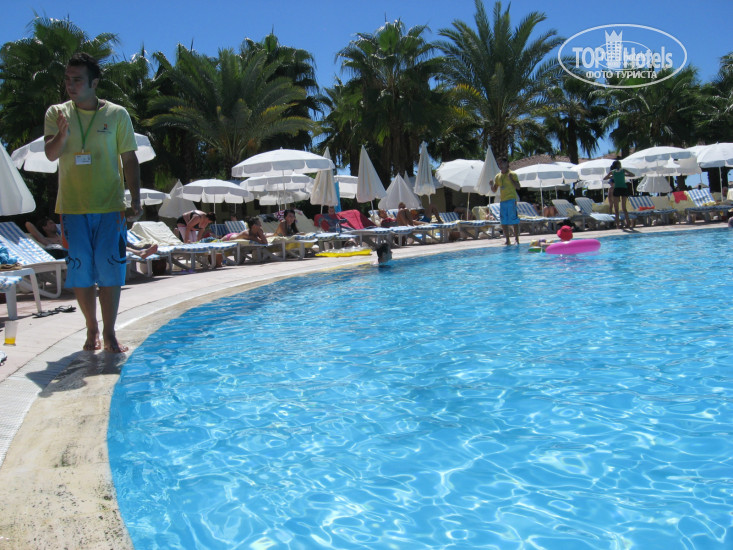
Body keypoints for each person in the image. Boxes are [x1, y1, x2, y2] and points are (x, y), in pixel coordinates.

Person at [43, 52, 140, 353]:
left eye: (77, 80)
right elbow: (50, 154)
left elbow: (129, 158)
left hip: (110, 206)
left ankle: (109, 332)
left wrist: (135, 198)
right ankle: (91, 327)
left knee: (111, 272)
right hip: (72, 208)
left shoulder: (117, 114)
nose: (70, 85)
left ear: (94, 83)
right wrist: (61, 135)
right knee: (81, 272)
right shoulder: (57, 113)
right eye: (67, 79)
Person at [490, 157, 521, 245]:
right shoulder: (498, 176)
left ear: (507, 163)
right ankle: (507, 240)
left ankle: (516, 239)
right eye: (499, 163)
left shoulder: (512, 174)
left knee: (514, 220)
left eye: (502, 163)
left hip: (511, 200)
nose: (500, 165)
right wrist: (491, 185)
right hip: (503, 201)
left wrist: (511, 179)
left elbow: (518, 187)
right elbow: (494, 190)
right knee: (503, 221)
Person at [603, 160, 635, 229]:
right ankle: (628, 224)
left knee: (616, 209)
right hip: (623, 189)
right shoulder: (623, 170)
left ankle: (618, 225)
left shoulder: (613, 172)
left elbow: (605, 178)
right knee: (624, 208)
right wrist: (624, 175)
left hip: (617, 189)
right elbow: (632, 175)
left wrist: (612, 176)